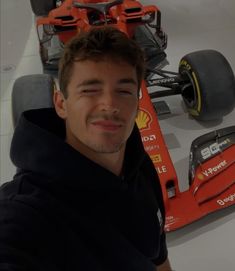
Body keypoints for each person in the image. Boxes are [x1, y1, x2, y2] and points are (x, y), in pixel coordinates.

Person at [0, 27, 172, 271]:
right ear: (61, 104)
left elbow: (157, 257)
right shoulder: (26, 212)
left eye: (124, 91)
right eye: (90, 90)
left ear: (137, 102)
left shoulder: (140, 166)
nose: (109, 105)